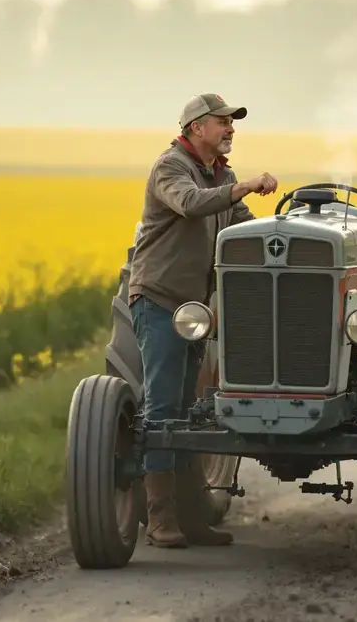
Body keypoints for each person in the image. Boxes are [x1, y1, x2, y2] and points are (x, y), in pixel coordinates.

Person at [127, 93, 277, 548]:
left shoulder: (221, 173)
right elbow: (192, 204)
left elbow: (241, 227)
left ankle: (191, 518)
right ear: (196, 128)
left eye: (233, 123)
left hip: (194, 311)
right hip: (160, 300)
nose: (230, 129)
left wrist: (286, 235)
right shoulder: (170, 168)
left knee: (191, 413)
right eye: (222, 122)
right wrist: (244, 187)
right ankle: (159, 519)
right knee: (163, 409)